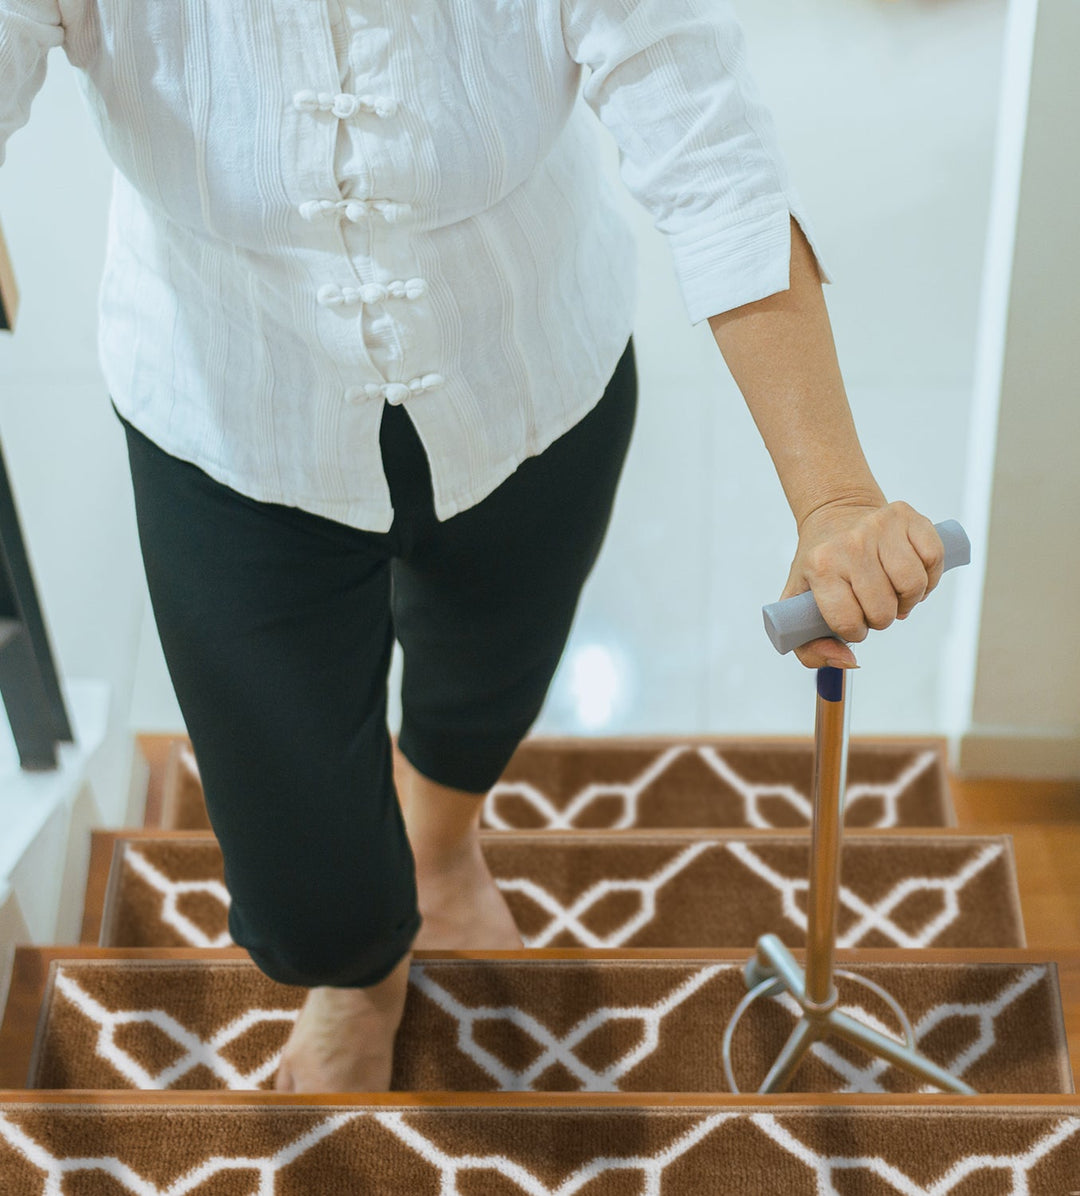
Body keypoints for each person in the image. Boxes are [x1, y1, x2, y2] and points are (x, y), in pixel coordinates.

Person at [0, 0, 944, 1093]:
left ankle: (441, 843)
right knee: (305, 888)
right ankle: (353, 971)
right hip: (231, 409)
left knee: (484, 674)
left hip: (524, 376)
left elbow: (712, 148)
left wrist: (830, 493)